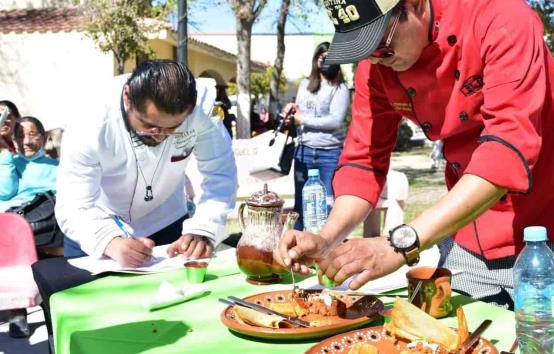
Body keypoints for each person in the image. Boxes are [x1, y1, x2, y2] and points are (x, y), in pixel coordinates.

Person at [278, 0, 554, 342]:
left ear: (417, 5)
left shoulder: (498, 18)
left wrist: (399, 244)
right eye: (364, 50)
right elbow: (363, 161)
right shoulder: (378, 67)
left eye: (382, 45)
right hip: (470, 227)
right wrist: (327, 238)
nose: (375, 60)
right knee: (455, 342)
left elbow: (507, 151)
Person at [31, 61, 238, 339]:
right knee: (95, 329)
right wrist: (109, 240)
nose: (160, 136)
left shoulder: (201, 109)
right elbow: (74, 202)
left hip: (167, 225)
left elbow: (220, 173)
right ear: (128, 97)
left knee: (173, 323)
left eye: (172, 128)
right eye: (150, 126)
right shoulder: (90, 118)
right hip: (93, 226)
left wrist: (204, 228)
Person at [1, 116, 59, 338]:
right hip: (15, 224)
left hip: (45, 222)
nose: (26, 140)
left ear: (43, 138)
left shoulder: (56, 166)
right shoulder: (10, 163)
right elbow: (5, 191)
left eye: (33, 134)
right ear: (14, 140)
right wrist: (6, 157)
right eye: (20, 135)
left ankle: (51, 304)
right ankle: (17, 309)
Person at [284, 42, 350, 231]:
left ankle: (327, 246)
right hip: (303, 151)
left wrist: (301, 119)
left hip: (328, 153)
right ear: (315, 60)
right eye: (322, 56)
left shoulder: (340, 88)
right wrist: (291, 113)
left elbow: (335, 121)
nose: (325, 60)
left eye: (330, 56)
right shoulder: (305, 84)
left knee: (328, 204)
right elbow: (299, 112)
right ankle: (298, 246)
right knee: (300, 203)